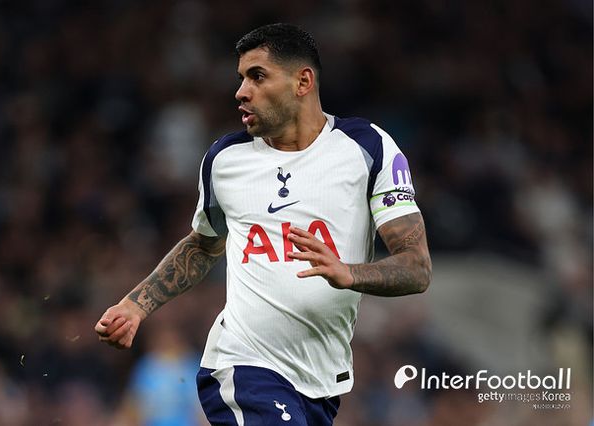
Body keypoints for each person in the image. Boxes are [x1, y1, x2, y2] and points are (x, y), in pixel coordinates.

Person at [95, 23, 432, 425]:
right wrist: (136, 304)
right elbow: (203, 244)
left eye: (257, 76)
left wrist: (350, 273)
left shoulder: (368, 148)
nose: (241, 91)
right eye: (241, 78)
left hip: (321, 383)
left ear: (302, 82)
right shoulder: (225, 160)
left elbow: (417, 266)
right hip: (243, 367)